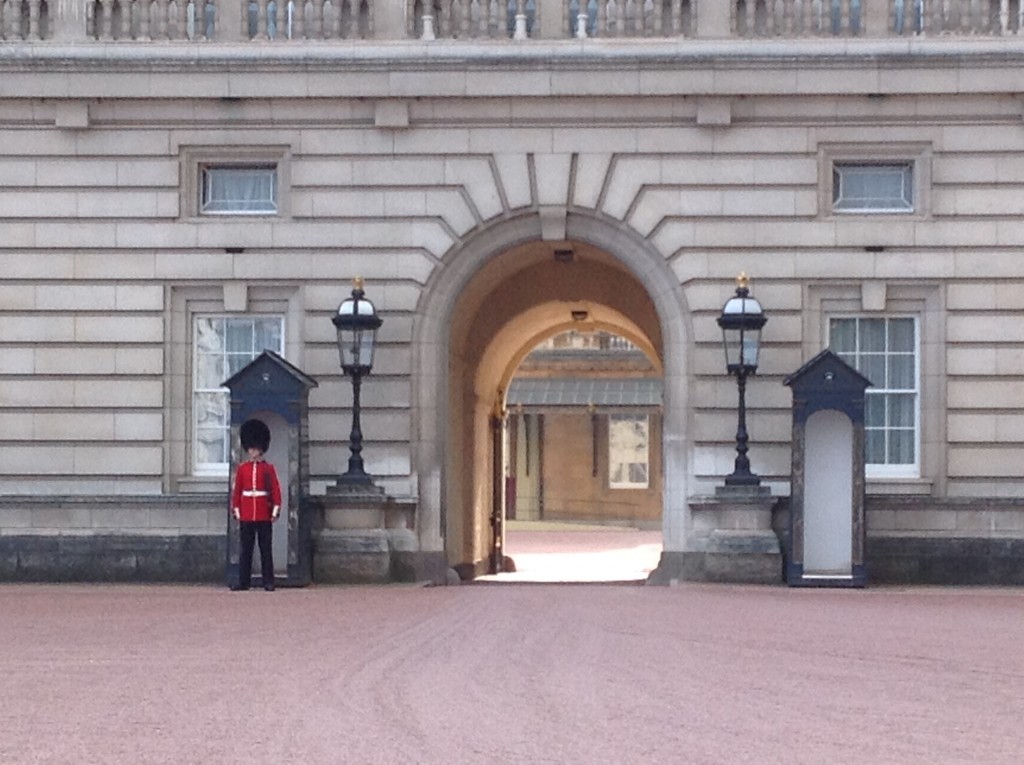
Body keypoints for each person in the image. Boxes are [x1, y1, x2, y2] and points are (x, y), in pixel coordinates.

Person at [231, 419, 282, 591]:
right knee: (246, 550)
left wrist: (274, 511)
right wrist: (237, 512)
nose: (253, 452)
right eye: (251, 448)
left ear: (261, 449)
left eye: (256, 448)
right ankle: (243, 581)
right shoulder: (243, 469)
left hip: (263, 513)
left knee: (265, 549)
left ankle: (268, 581)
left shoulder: (268, 469)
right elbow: (237, 492)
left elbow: (275, 491)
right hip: (246, 513)